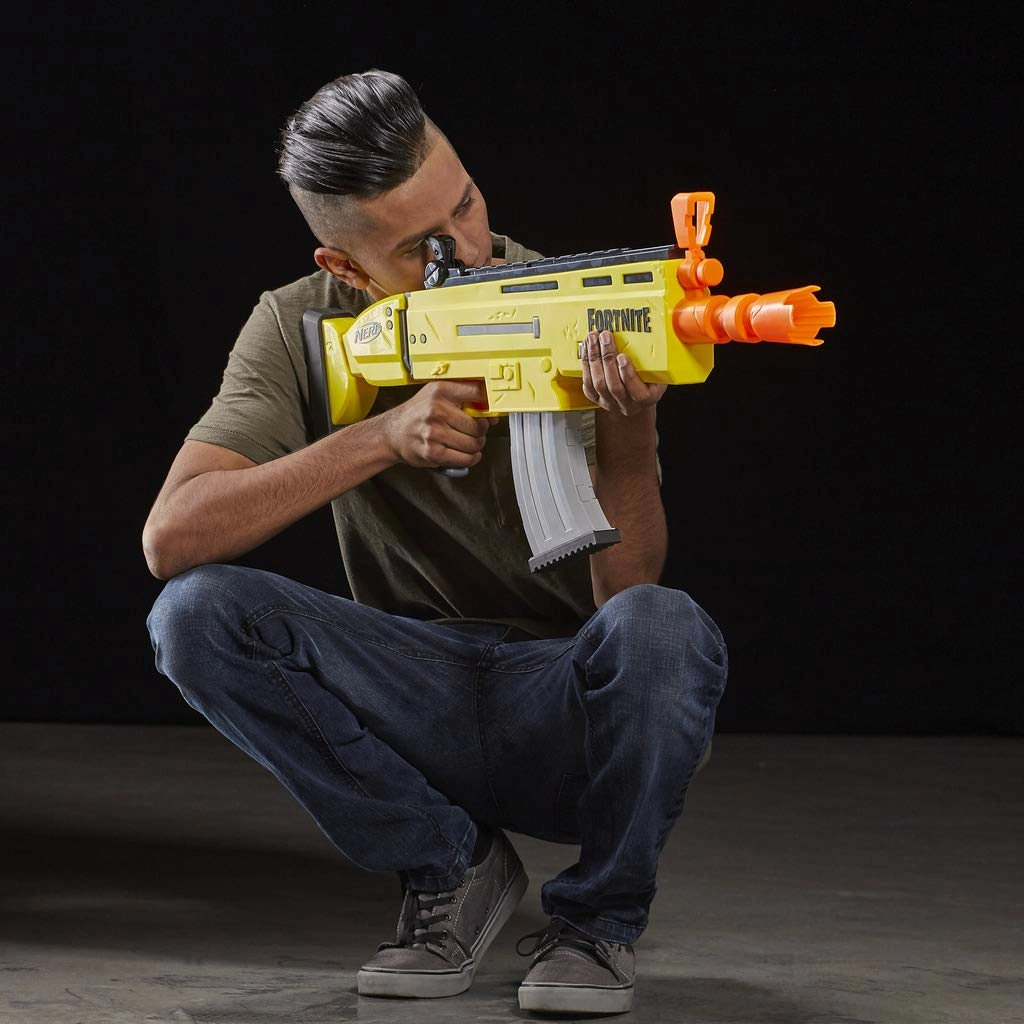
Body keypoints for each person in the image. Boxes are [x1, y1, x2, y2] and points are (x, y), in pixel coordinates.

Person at [143, 68, 727, 1015]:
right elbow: (172, 537)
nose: (468, 247)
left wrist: (630, 427)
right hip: (406, 704)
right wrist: (378, 437)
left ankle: (599, 924)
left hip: (559, 704)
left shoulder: (574, 303)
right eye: (422, 247)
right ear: (346, 270)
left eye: (466, 204)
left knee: (665, 627)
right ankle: (448, 864)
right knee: (194, 614)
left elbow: (624, 599)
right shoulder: (300, 325)